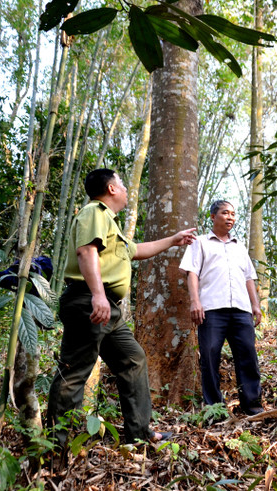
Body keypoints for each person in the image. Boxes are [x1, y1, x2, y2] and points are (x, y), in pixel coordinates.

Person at [46, 168, 196, 451]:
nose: (126, 189)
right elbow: (86, 252)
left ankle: (139, 433)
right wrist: (98, 296)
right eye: (122, 184)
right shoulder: (94, 212)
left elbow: (136, 249)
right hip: (89, 303)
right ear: (111, 189)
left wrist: (173, 240)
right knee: (75, 370)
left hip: (108, 311)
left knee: (133, 359)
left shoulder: (110, 223)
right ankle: (56, 447)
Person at [179, 200, 264, 416]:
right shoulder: (199, 242)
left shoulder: (240, 247)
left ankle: (252, 405)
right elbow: (192, 273)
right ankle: (215, 409)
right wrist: (194, 301)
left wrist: (255, 305)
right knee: (209, 357)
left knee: (248, 356)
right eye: (225, 213)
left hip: (241, 310)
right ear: (213, 216)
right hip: (212, 309)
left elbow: (248, 278)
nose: (230, 217)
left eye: (233, 214)